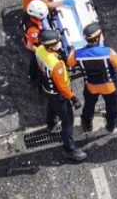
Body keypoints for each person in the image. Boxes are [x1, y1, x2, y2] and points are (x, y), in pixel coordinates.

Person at [35, 29, 86, 161]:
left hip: (47, 88)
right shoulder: (56, 65)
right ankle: (69, 149)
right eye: (57, 42)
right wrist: (73, 98)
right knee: (68, 120)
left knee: (51, 107)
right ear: (50, 46)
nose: (59, 43)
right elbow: (62, 86)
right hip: (58, 94)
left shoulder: (40, 49)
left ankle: (51, 124)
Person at [67, 23, 117, 133]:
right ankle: (111, 126)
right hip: (109, 87)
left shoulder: (78, 54)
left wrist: (72, 51)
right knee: (112, 106)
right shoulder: (108, 51)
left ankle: (87, 124)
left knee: (89, 104)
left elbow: (70, 63)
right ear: (98, 38)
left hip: (91, 86)